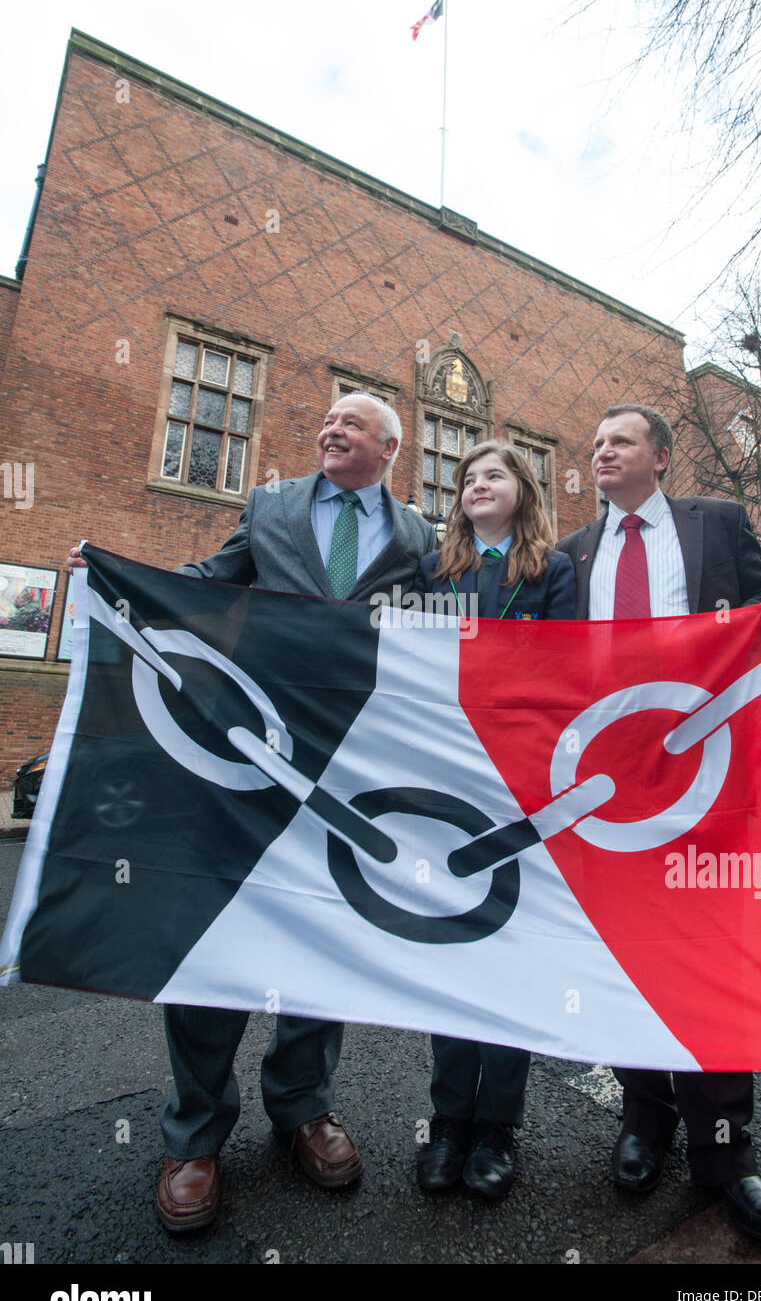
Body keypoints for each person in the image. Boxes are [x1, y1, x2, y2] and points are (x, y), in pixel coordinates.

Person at [68, 392, 437, 1231]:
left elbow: (440, 631)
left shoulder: (417, 536)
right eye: (325, 421)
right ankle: (193, 1137)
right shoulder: (272, 505)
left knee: (324, 940)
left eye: (349, 422)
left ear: (388, 446)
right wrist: (116, 580)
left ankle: (303, 1108)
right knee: (213, 938)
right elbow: (211, 579)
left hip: (346, 766)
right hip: (243, 762)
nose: (328, 428)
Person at [557, 403, 761, 1244]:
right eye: (593, 445)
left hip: (708, 783)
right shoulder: (572, 553)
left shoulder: (719, 523)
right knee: (628, 961)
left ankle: (726, 1156)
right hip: (610, 793)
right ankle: (644, 1121)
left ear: (660, 457)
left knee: (712, 963)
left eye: (617, 441)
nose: (600, 453)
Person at [412, 441, 576, 1199]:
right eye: (466, 477)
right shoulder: (434, 570)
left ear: (522, 489)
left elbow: (574, 672)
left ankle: (496, 1128)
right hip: (446, 785)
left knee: (511, 954)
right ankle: (448, 1122)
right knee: (454, 951)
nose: (476, 484)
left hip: (523, 784)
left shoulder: (553, 571)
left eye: (493, 474)